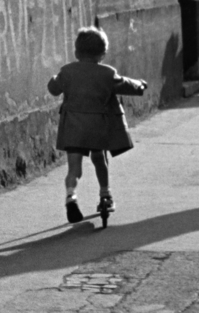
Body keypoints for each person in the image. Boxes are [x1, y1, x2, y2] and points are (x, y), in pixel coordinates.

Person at [48, 26, 147, 223]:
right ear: (102, 54)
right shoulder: (107, 73)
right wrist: (140, 85)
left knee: (74, 169)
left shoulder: (67, 71)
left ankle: (71, 195)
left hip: (73, 126)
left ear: (76, 52)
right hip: (97, 125)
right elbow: (126, 84)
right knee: (99, 159)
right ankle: (105, 194)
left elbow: (54, 88)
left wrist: (54, 79)